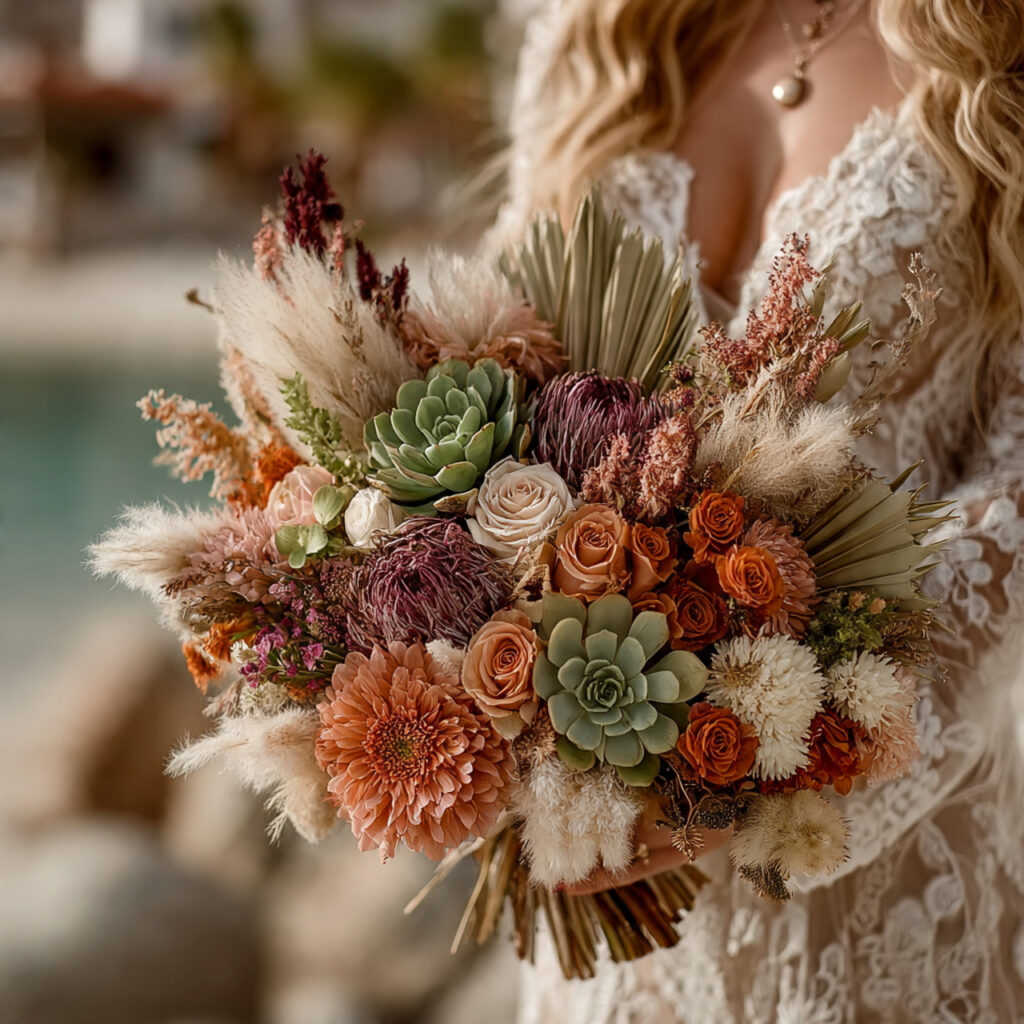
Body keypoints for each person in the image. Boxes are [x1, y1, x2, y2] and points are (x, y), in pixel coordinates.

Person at [490, 1, 1024, 1020]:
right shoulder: (594, 29)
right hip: (610, 915)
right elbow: (501, 369)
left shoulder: (995, 45)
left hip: (883, 900)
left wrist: (778, 750)